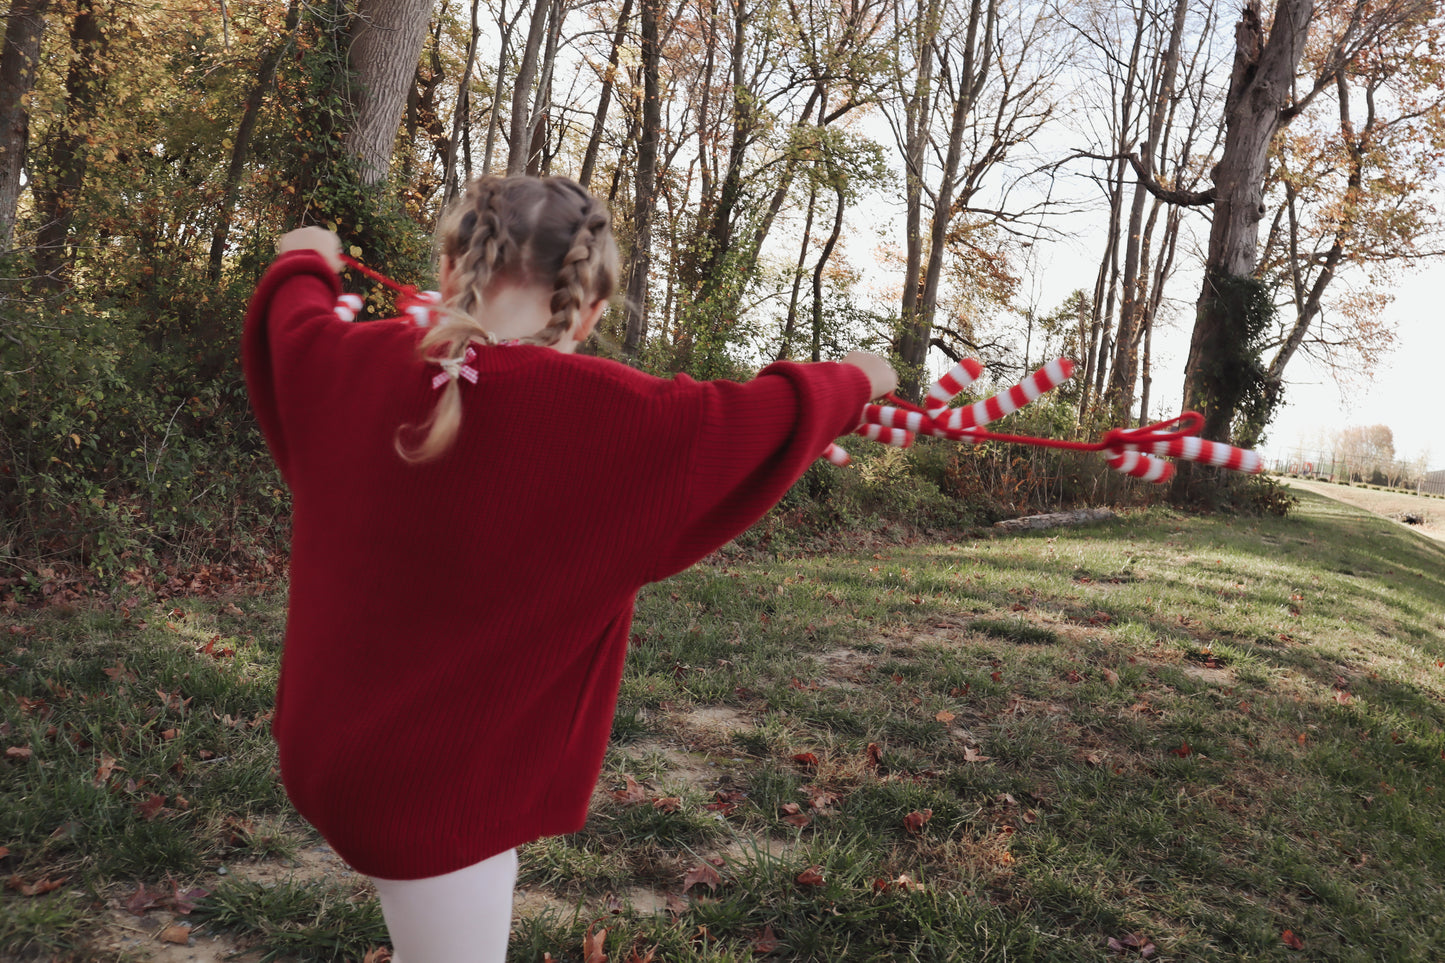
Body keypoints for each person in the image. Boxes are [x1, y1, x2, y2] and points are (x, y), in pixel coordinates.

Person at [243, 174, 897, 962]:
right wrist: (862, 376)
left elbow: (295, 322)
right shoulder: (626, 422)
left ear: (451, 271)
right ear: (588, 311)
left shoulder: (344, 360)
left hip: (326, 756)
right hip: (435, 803)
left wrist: (303, 260)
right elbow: (766, 416)